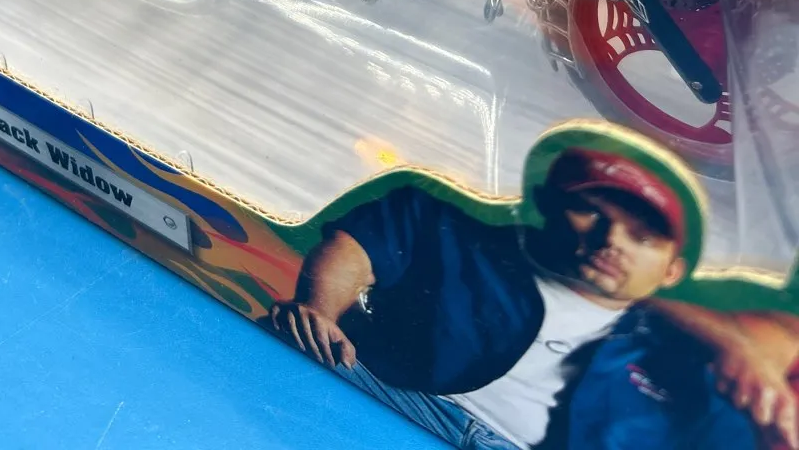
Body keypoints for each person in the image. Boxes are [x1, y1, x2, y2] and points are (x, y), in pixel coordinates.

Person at [269, 147, 799, 450]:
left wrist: (743, 353)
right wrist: (319, 309)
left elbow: (778, 341)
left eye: (642, 237)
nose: (612, 241)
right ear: (550, 207)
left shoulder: (668, 345)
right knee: (287, 350)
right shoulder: (464, 237)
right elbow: (358, 247)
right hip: (395, 397)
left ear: (671, 270)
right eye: (593, 213)